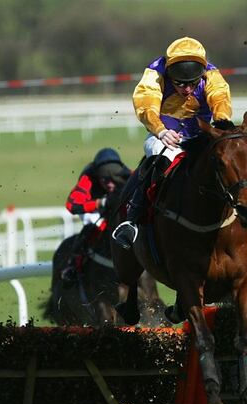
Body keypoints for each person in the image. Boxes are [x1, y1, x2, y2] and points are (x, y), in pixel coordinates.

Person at [112, 36, 233, 249]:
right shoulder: (154, 74)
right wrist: (160, 131)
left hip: (199, 136)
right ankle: (132, 220)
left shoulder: (211, 74)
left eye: (193, 83)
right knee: (161, 157)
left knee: (231, 159)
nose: (186, 90)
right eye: (179, 83)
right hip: (164, 137)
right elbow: (146, 106)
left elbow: (220, 99)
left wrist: (221, 124)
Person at [61, 147, 131, 283]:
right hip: (94, 208)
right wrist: (99, 203)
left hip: (114, 206)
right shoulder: (88, 177)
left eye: (113, 179)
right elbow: (71, 205)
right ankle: (74, 264)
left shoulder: (125, 173)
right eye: (105, 180)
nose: (110, 184)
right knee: (95, 226)